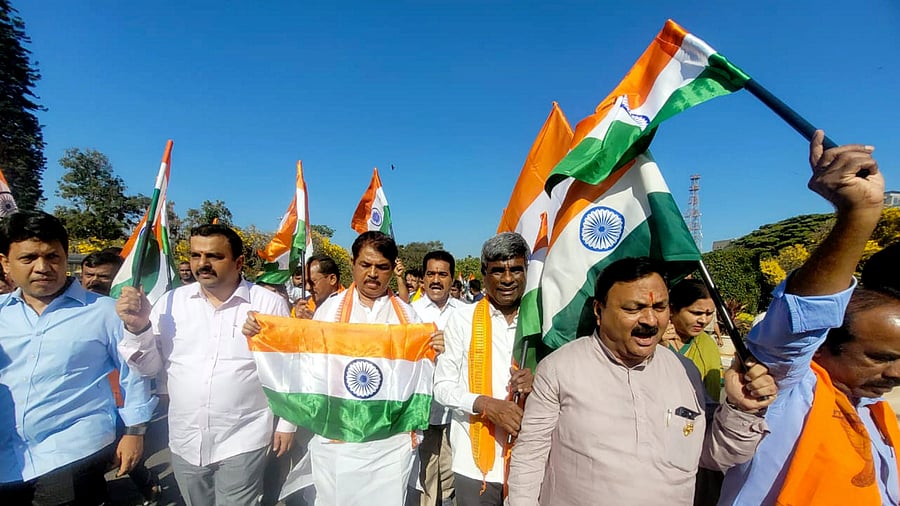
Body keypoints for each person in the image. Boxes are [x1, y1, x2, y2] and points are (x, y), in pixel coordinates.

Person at [507, 256, 776, 505]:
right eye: (634, 308)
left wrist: (740, 409)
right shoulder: (559, 368)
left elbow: (715, 455)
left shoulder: (685, 371)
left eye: (659, 307)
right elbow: (530, 457)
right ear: (599, 311)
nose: (649, 320)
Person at [720, 134, 896, 505]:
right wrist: (859, 215)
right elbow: (801, 318)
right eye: (880, 357)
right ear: (822, 346)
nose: (897, 373)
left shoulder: (879, 420)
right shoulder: (782, 392)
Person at [244, 231, 435, 505]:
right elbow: (306, 368)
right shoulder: (329, 312)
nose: (372, 274)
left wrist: (434, 349)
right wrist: (260, 332)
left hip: (389, 441)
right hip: (338, 437)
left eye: (381, 267)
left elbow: (418, 374)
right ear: (352, 263)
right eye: (365, 265)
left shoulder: (408, 317)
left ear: (393, 269)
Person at [116, 223, 296, 506]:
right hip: (185, 439)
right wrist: (138, 329)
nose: (203, 264)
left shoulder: (268, 305)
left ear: (238, 262)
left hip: (243, 437)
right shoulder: (171, 302)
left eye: (214, 256)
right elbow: (149, 369)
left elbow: (287, 370)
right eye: (196, 255)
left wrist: (287, 424)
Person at [0, 211, 156, 504]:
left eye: (53, 257)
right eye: (28, 258)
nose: (42, 267)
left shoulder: (105, 312)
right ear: (5, 262)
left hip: (72, 451)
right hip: (8, 455)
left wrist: (135, 431)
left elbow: (134, 372)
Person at [434, 232, 534, 505]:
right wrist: (486, 405)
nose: (507, 279)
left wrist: (537, 379)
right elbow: (442, 388)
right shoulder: (462, 318)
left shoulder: (540, 319)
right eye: (498, 271)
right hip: (475, 465)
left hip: (531, 461)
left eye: (516, 269)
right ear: (484, 273)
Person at [411, 250, 465, 506]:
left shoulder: (468, 314)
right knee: (427, 479)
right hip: (425, 412)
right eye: (430, 274)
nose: (436, 280)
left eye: (442, 274)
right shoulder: (409, 314)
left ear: (452, 279)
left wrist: (452, 345)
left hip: (458, 414)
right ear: (422, 279)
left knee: (455, 476)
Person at [668, 279, 722, 401]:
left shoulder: (707, 345)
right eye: (696, 313)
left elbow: (712, 398)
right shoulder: (650, 341)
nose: (703, 320)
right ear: (672, 310)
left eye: (709, 314)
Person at [293, 254, 344, 319]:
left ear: (332, 279)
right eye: (305, 283)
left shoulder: (348, 305)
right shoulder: (304, 307)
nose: (307, 288)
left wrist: (314, 322)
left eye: (312, 282)